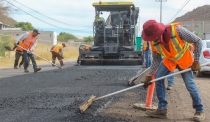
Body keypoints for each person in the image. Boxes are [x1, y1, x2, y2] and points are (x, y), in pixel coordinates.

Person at [141, 20, 204, 121]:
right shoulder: (153, 42)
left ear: (158, 32)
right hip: (170, 60)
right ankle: (162, 109)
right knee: (158, 78)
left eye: (153, 37)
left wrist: (196, 61)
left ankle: (199, 110)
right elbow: (156, 60)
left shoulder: (177, 30)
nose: (152, 40)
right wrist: (150, 75)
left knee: (190, 85)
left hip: (184, 59)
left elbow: (198, 41)